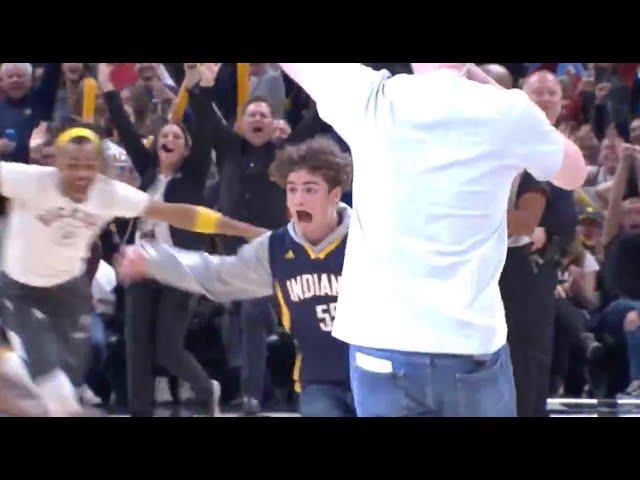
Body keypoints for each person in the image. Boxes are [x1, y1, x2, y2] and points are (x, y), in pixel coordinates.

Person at [278, 62, 586, 417]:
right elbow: (574, 172)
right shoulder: (507, 111)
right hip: (470, 346)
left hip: (382, 345)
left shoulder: (371, 97)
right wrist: (497, 91)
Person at [0, 126, 265, 417]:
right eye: (72, 165)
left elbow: (182, 214)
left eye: (88, 166)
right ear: (56, 162)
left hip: (70, 293)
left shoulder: (108, 193)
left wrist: (246, 230)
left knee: (61, 389)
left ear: (99, 168)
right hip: (21, 291)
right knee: (55, 393)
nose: (80, 174)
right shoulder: (27, 180)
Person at [117, 137, 356, 417]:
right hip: (319, 383)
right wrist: (155, 262)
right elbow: (219, 273)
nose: (298, 199)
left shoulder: (365, 242)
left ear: (335, 195)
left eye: (310, 190)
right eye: (292, 190)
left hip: (378, 376)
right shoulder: (276, 249)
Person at [98, 63, 245, 417]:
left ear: (187, 149)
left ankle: (203, 386)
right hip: (141, 262)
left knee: (167, 346)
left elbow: (208, 129)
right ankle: (140, 411)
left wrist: (203, 88)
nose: (169, 138)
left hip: (180, 266)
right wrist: (107, 87)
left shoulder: (192, 176)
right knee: (136, 343)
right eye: (165, 134)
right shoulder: (147, 169)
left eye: (177, 136)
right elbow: (126, 126)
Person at [0, 63, 61, 163]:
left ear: (30, 80)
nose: (15, 80)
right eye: (10, 77)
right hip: (6, 173)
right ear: (2, 82)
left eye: (20, 76)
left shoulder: (42, 100)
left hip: (37, 171)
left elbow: (52, 72)